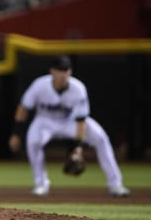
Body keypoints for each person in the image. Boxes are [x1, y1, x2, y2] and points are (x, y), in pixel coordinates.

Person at [8, 55, 130, 197]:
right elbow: (23, 108)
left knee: (101, 138)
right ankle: (41, 184)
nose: (63, 74)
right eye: (59, 70)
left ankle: (116, 185)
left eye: (66, 70)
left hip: (70, 121)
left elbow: (81, 120)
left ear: (70, 72)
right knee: (33, 141)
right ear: (52, 71)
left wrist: (77, 148)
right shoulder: (39, 85)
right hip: (45, 121)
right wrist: (16, 133)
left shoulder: (78, 88)